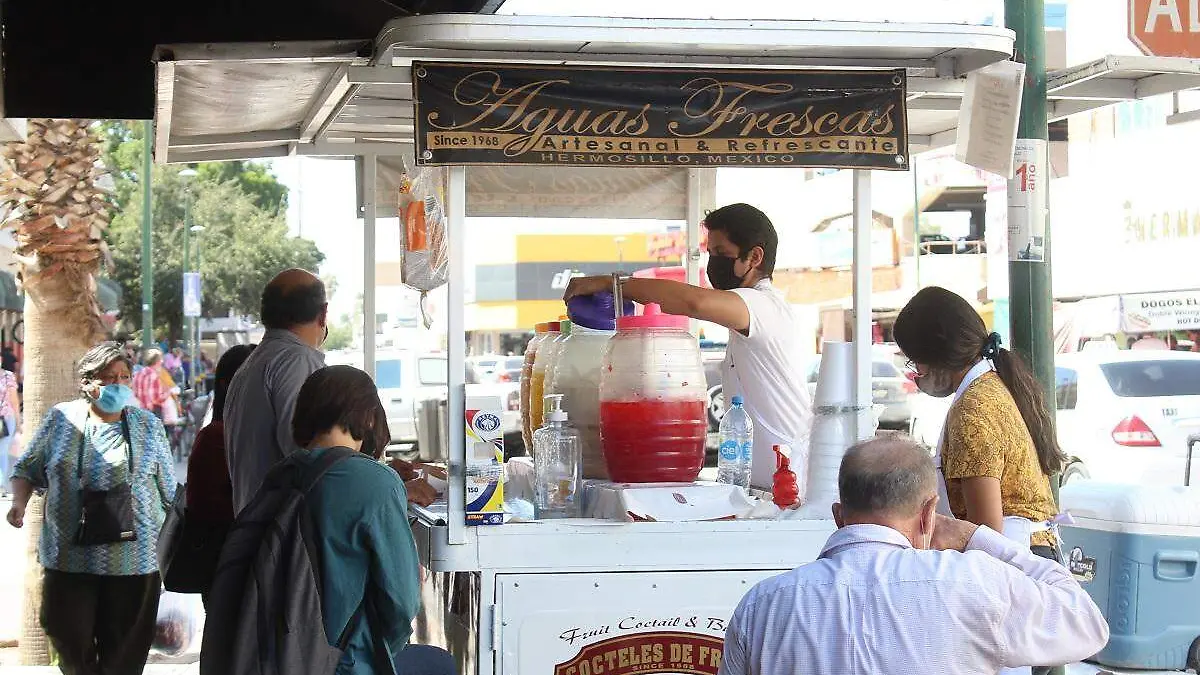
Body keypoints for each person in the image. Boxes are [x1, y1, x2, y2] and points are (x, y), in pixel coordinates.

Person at [718, 436, 1109, 675]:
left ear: (839, 517)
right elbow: (1087, 624)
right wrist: (977, 536)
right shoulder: (971, 582)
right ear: (928, 513)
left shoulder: (763, 605)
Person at [564, 203, 811, 491]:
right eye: (710, 254)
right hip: (758, 486)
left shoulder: (764, 305)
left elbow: (695, 302)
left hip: (789, 485)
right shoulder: (750, 309)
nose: (713, 264)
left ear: (754, 256)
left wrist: (613, 284)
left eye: (721, 254)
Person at [5, 342, 176, 675]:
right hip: (69, 558)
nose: (118, 384)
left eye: (125, 377)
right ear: (86, 382)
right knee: (66, 634)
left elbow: (168, 491)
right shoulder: (61, 420)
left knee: (125, 652)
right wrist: (18, 504)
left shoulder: (148, 426)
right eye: (108, 377)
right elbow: (27, 468)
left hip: (135, 562)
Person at [290, 365, 454, 675]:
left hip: (284, 652)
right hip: (344, 661)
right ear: (368, 416)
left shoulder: (282, 473)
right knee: (438, 664)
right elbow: (402, 601)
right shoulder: (375, 481)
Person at [893, 287, 1066, 563]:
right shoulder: (992, 387)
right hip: (1031, 557)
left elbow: (987, 536)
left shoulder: (973, 410)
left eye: (916, 362)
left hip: (1014, 565)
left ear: (937, 354)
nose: (918, 374)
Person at [224, 269, 329, 513]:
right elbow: (311, 457)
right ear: (323, 314)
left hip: (259, 529)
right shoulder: (297, 361)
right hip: (283, 533)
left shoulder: (254, 362)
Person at [186, 344, 256, 589]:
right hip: (226, 563)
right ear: (229, 384)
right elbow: (210, 507)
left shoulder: (230, 433)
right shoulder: (218, 437)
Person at [132, 348, 171, 417]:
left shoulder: (138, 374)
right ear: (158, 361)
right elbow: (156, 398)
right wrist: (167, 393)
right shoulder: (154, 376)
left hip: (140, 411)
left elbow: (134, 393)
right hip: (153, 411)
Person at [0, 363, 19, 496]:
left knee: (2, 452)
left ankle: (1, 485)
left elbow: (14, 400)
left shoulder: (8, 376)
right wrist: (18, 421)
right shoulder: (8, 376)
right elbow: (14, 401)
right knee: (2, 452)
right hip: (7, 418)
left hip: (6, 418)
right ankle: (1, 486)